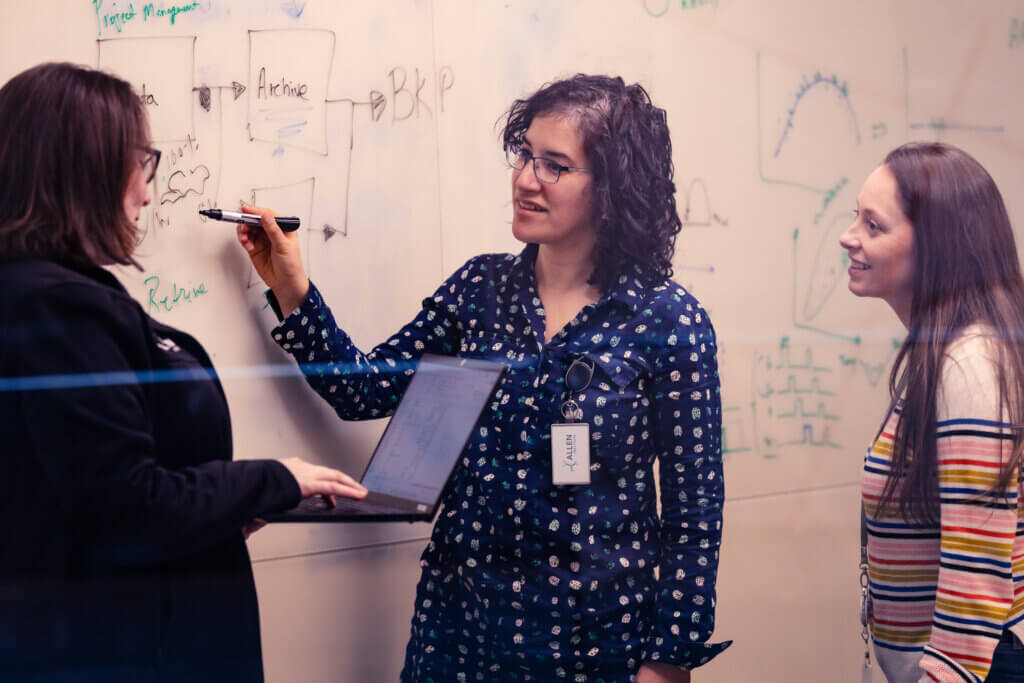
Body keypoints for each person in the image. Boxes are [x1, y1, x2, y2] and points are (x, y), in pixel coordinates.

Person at [238, 73, 729, 681]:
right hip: (458, 635)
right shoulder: (482, 288)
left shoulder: (667, 320)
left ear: (613, 188)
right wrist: (290, 286)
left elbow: (694, 518)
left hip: (594, 649)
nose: (525, 178)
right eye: (524, 153)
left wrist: (668, 662)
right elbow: (362, 389)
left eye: (554, 165)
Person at [0, 62, 367, 682]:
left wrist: (222, 508)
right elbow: (125, 504)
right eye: (138, 163)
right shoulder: (53, 306)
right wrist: (276, 479)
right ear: (82, 168)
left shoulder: (57, 296)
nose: (147, 192)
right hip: (123, 648)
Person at [840, 142, 1024, 682]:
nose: (849, 237)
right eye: (857, 217)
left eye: (874, 226)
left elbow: (976, 576)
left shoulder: (969, 364)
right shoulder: (941, 354)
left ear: (936, 249)